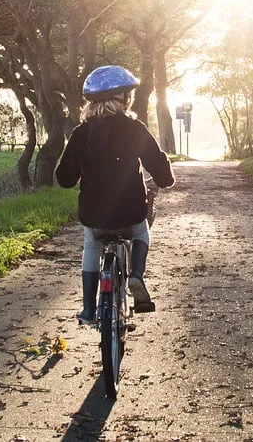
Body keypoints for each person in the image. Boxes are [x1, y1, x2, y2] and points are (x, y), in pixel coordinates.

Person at [56, 65, 174, 322]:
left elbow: (64, 178)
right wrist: (164, 179)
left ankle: (88, 309)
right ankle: (136, 276)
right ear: (123, 98)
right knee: (142, 232)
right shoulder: (135, 129)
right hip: (130, 212)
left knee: (91, 244)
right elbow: (160, 168)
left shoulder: (80, 133)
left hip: (94, 216)